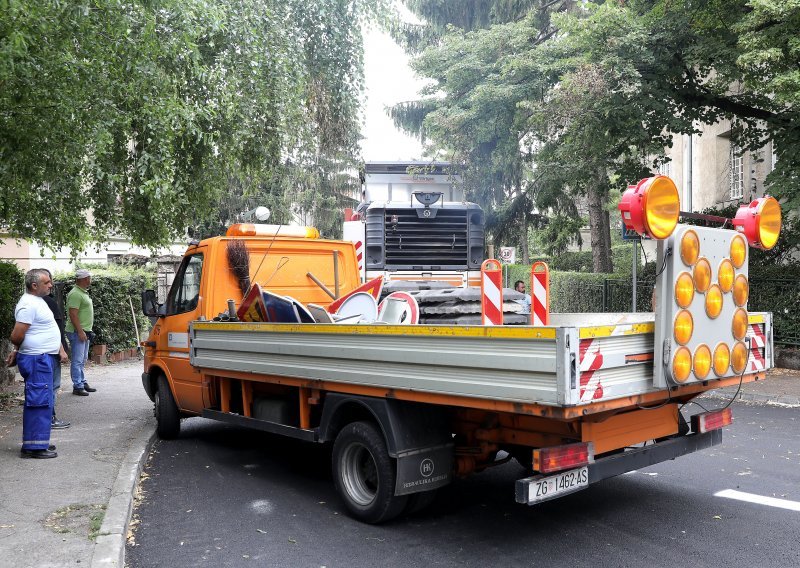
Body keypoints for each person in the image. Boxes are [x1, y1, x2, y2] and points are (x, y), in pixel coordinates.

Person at [6, 269, 68, 458]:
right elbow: (16, 335)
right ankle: (34, 448)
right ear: (34, 285)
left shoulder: (37, 301)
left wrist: (57, 347)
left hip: (41, 357)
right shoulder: (28, 305)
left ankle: (38, 442)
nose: (51, 285)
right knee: (38, 402)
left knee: (42, 401)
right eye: (47, 282)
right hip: (37, 359)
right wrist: (17, 349)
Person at [41, 269, 70, 429]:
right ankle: (50, 417)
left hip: (50, 350)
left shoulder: (41, 302)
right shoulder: (46, 303)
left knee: (49, 386)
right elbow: (53, 330)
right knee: (51, 386)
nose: (51, 285)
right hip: (50, 352)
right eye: (47, 282)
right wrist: (62, 349)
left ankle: (48, 417)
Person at [65, 268, 96, 396]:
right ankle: (77, 386)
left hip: (84, 331)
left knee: (82, 359)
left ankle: (82, 382)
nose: (90, 280)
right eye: (89, 277)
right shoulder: (75, 294)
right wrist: (80, 331)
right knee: (77, 360)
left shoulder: (82, 292)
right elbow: (73, 315)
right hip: (77, 332)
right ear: (84, 279)